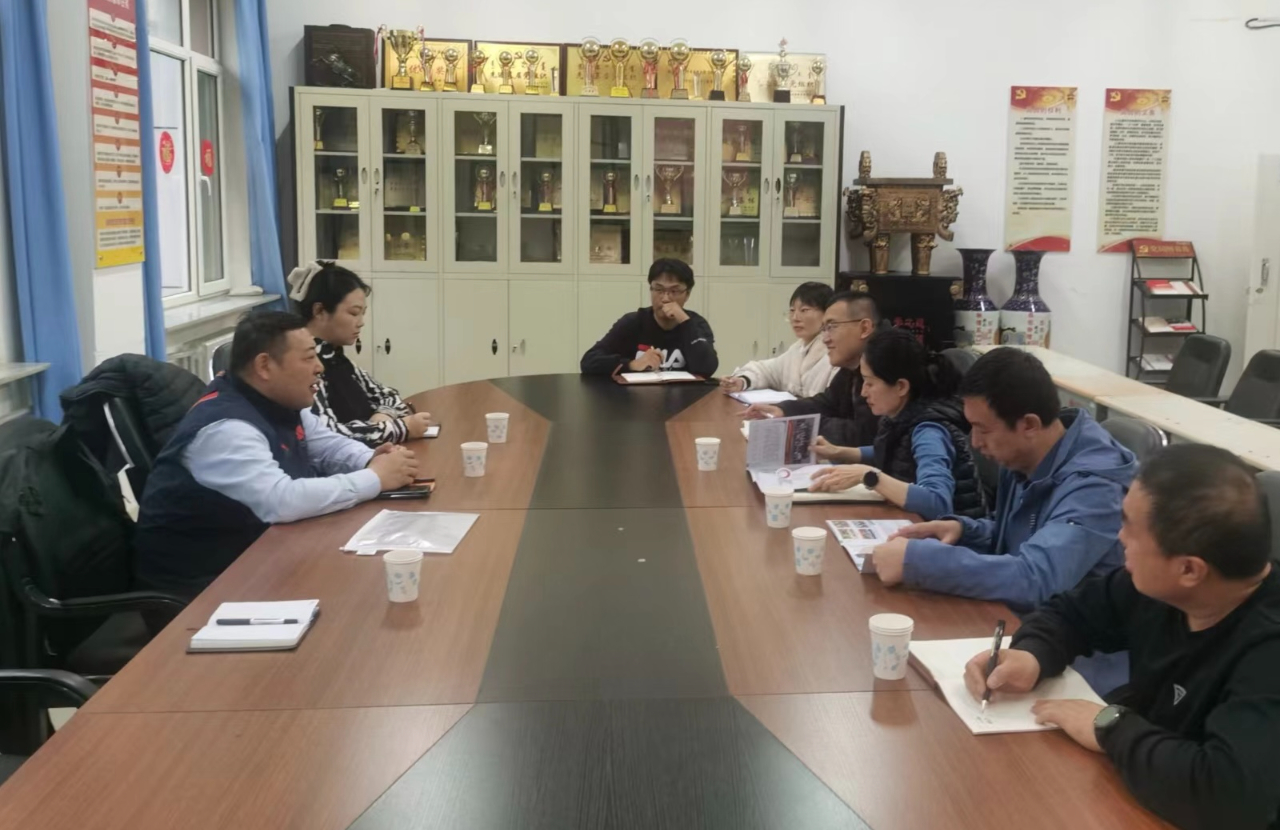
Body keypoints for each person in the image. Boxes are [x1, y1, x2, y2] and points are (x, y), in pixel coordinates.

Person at [964, 444, 1280, 830]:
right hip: (1137, 789)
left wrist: (1110, 725)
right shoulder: (1163, 586)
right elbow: (1072, 614)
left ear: (1189, 570)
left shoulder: (1268, 650)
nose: (1120, 537)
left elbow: (1227, 797)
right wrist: (1032, 655)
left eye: (1130, 526)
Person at [134, 311, 419, 597]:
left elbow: (327, 444)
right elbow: (281, 501)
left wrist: (370, 459)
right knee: (356, 594)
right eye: (308, 358)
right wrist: (375, 478)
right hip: (202, 588)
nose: (319, 367)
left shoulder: (277, 401)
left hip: (257, 554)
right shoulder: (227, 429)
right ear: (265, 366)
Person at [872, 347, 1137, 612]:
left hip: (1074, 632)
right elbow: (1017, 535)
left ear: (1029, 425)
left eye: (983, 429)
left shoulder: (1096, 488)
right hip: (1030, 619)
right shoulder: (1027, 454)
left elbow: (1037, 578)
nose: (975, 442)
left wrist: (919, 561)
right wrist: (965, 531)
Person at [807, 327, 985, 520]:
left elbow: (938, 503)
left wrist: (868, 476)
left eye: (870, 383)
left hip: (950, 534)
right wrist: (839, 452)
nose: (864, 392)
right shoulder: (901, 415)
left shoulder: (930, 431)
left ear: (901, 387)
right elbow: (892, 449)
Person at [287, 261, 432, 447]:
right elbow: (328, 436)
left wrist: (384, 416)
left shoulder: (336, 356)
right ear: (319, 311)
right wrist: (399, 428)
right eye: (354, 313)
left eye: (362, 314)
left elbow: (389, 395)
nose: (361, 322)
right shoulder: (306, 366)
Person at [742, 291, 881, 448]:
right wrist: (783, 410)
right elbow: (827, 403)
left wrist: (801, 424)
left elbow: (866, 435)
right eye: (824, 329)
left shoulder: (887, 365)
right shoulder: (853, 364)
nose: (825, 339)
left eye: (832, 327)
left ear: (864, 328)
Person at [580, 258, 718, 377]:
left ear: (687, 294)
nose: (665, 298)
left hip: (686, 398)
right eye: (659, 290)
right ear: (651, 290)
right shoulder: (633, 322)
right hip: (636, 398)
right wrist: (632, 364)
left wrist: (684, 322)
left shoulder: (696, 324)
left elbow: (707, 369)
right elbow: (589, 361)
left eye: (674, 291)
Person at [719, 281, 838, 398]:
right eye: (792, 310)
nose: (795, 318)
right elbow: (767, 371)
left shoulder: (836, 353)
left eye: (804, 310)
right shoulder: (797, 350)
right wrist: (742, 381)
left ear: (827, 313)